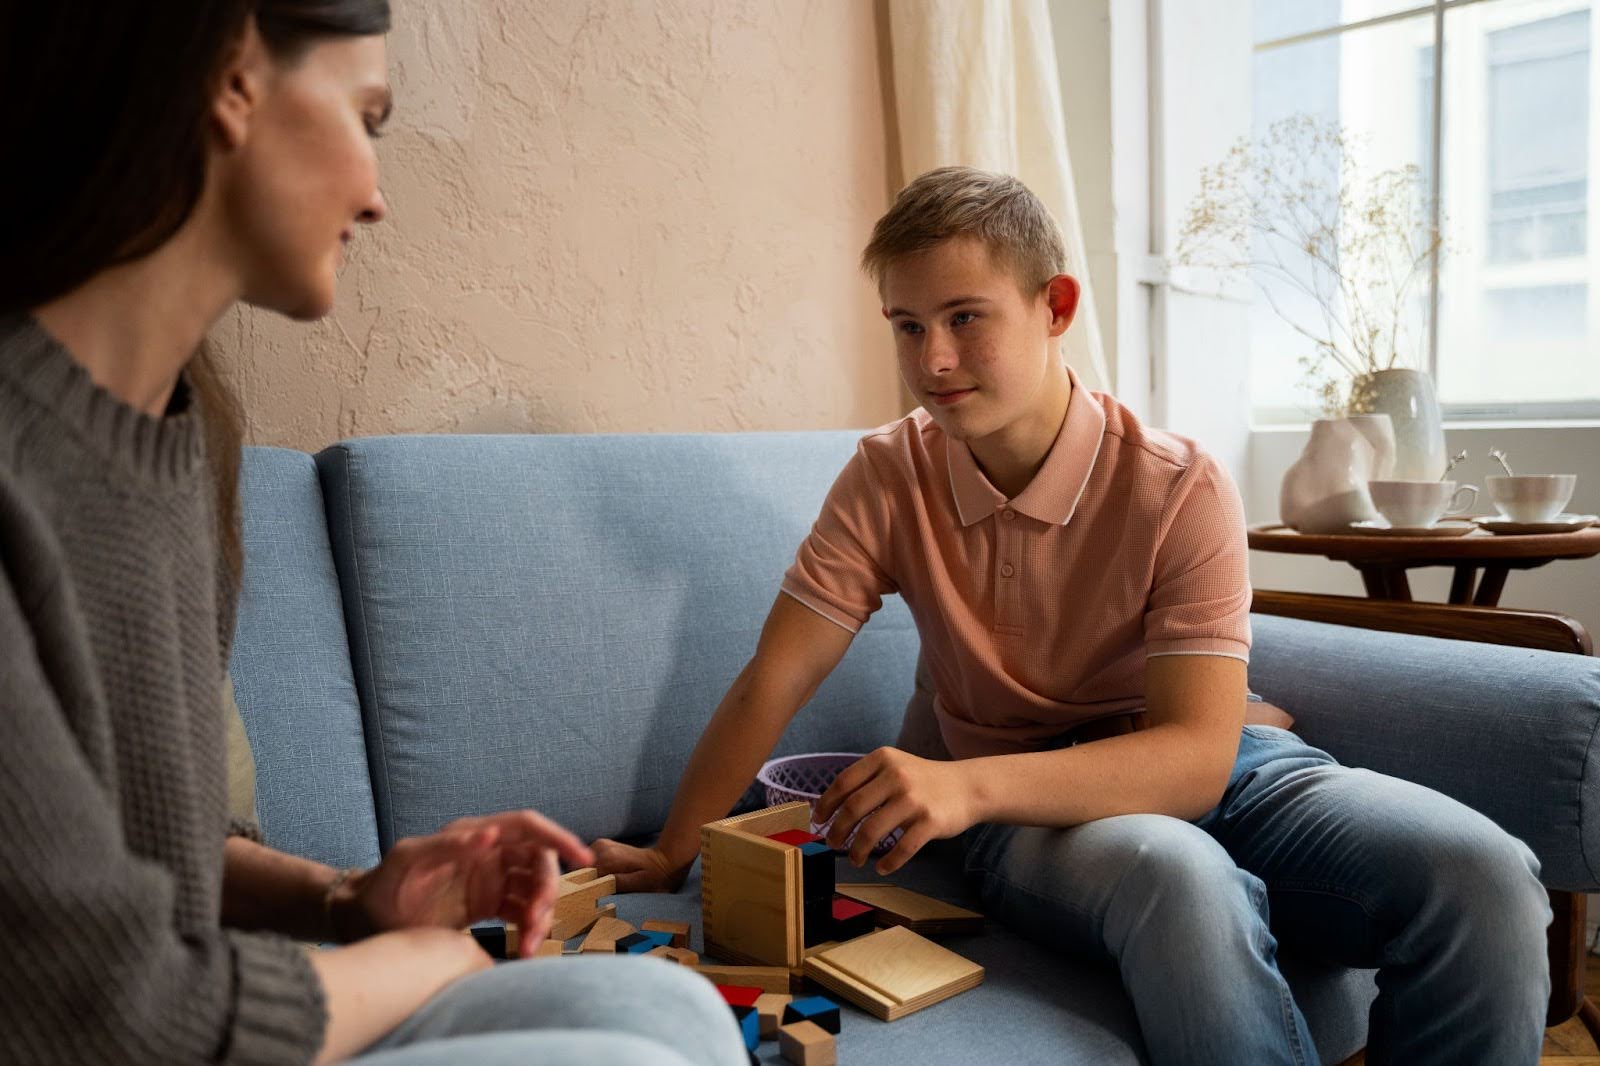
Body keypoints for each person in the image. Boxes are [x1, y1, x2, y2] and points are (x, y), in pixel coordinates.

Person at [594, 166, 1552, 1065]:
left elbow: (1196, 758)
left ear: (1055, 307)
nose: (933, 359)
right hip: (1027, 806)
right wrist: (676, 850)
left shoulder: (1178, 484)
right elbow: (776, 675)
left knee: (1487, 876)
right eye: (906, 324)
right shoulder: (889, 476)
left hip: (1227, 767)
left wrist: (954, 788)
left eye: (966, 318)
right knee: (1177, 877)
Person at [0, 3, 745, 1064]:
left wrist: (355, 899)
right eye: (367, 116)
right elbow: (102, 1009)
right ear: (231, 79)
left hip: (182, 1010)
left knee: (674, 1013)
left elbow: (154, 855)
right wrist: (431, 961)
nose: (376, 194)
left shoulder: (184, 435)